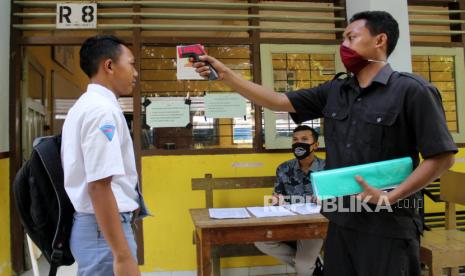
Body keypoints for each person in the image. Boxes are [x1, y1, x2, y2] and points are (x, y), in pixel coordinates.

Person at [193, 11, 457, 276]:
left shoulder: (412, 91)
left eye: (351, 37)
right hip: (340, 222)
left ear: (380, 40)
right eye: (343, 38)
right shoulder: (335, 91)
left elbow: (443, 157)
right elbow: (276, 101)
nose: (344, 45)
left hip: (388, 228)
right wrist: (226, 74)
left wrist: (391, 196)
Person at [61, 35, 148, 276]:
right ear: (109, 66)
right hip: (103, 233)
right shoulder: (101, 112)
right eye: (131, 64)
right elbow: (99, 185)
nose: (135, 73)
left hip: (98, 230)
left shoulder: (86, 105)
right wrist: (121, 255)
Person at [255, 125, 324, 276]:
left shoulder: (327, 168)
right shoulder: (283, 168)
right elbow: (276, 198)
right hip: (289, 223)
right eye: (295, 140)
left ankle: (307, 265)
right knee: (260, 240)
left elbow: (337, 201)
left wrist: (324, 201)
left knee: (303, 268)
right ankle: (312, 262)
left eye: (304, 139)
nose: (299, 143)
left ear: (315, 145)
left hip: (314, 227)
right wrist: (276, 201)